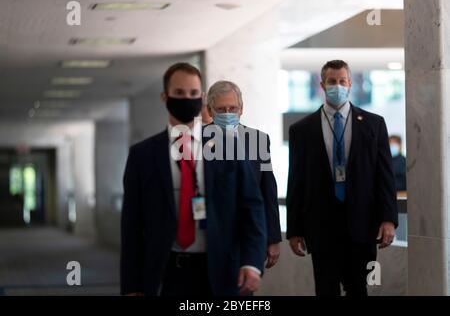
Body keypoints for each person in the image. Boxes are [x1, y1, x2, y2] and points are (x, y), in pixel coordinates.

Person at [120, 62, 267, 296]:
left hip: (222, 272)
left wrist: (252, 262)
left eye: (192, 93)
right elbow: (131, 225)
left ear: (202, 98)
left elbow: (251, 207)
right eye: (179, 93)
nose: (186, 99)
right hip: (166, 274)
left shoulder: (229, 148)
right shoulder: (143, 155)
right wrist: (131, 285)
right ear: (164, 96)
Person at [286, 60, 398, 296]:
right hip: (321, 225)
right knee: (325, 289)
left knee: (358, 287)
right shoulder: (301, 130)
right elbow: (296, 180)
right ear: (322, 85)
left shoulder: (374, 124)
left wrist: (388, 219)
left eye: (342, 81)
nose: (338, 86)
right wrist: (294, 229)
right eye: (332, 81)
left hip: (362, 223)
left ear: (350, 83)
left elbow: (385, 176)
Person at [206, 80, 282, 269]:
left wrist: (273, 238)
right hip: (208, 236)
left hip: (247, 236)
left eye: (232, 108)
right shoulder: (196, 141)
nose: (227, 114)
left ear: (241, 109)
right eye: (221, 109)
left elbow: (268, 190)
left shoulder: (259, 140)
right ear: (210, 110)